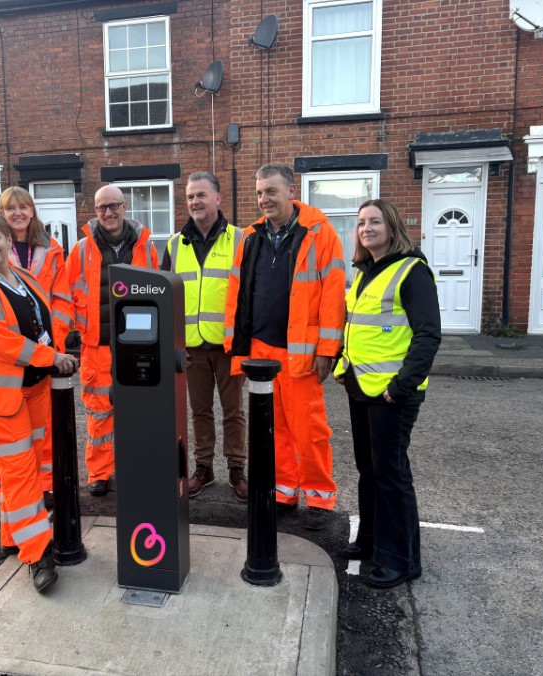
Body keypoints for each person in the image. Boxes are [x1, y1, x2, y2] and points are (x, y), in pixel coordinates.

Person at [0, 211, 79, 592]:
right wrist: (50, 358)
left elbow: (43, 324)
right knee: (22, 475)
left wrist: (62, 347)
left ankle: (13, 538)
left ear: (10, 240)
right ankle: (38, 555)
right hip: (0, 399)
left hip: (33, 390)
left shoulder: (24, 278)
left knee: (22, 471)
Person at [223, 163, 345, 530]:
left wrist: (327, 349)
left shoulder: (320, 233)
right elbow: (236, 297)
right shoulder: (249, 237)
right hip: (260, 350)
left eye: (271, 191)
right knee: (271, 429)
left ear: (291, 191)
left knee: (309, 429)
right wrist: (237, 350)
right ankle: (283, 492)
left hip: (301, 351)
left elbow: (333, 295)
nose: (264, 199)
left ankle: (320, 499)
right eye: (260, 193)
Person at [333, 199, 441, 589]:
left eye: (374, 221)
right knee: (370, 470)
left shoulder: (412, 271)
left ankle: (401, 560)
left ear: (392, 228)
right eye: (361, 223)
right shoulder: (364, 272)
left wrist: (402, 386)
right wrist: (342, 367)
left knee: (391, 473)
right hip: (362, 388)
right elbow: (355, 328)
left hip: (393, 394)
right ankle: (372, 541)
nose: (366, 228)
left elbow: (428, 334)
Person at [0, 187, 72, 509]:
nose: (17, 213)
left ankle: (42, 492)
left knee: (41, 438)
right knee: (13, 451)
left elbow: (61, 297)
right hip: (12, 365)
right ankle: (16, 503)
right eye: (10, 208)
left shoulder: (51, 249)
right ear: (1, 215)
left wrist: (53, 340)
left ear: (32, 211)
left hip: (44, 357)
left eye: (23, 207)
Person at [65, 184, 158, 496]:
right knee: (99, 414)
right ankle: (100, 473)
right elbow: (65, 298)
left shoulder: (146, 247)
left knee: (139, 411)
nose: (109, 212)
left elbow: (160, 294)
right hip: (97, 347)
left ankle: (138, 467)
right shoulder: (80, 250)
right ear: (95, 212)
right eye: (102, 207)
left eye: (114, 205)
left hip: (138, 346)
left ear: (125, 206)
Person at [161, 172, 248, 502]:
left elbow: (249, 294)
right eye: (189, 197)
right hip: (191, 348)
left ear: (218, 199)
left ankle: (237, 469)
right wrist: (173, 345)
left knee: (233, 411)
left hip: (228, 344)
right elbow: (165, 298)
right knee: (199, 412)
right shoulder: (174, 244)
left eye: (201, 195)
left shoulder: (240, 240)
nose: (195, 202)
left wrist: (243, 340)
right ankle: (204, 468)